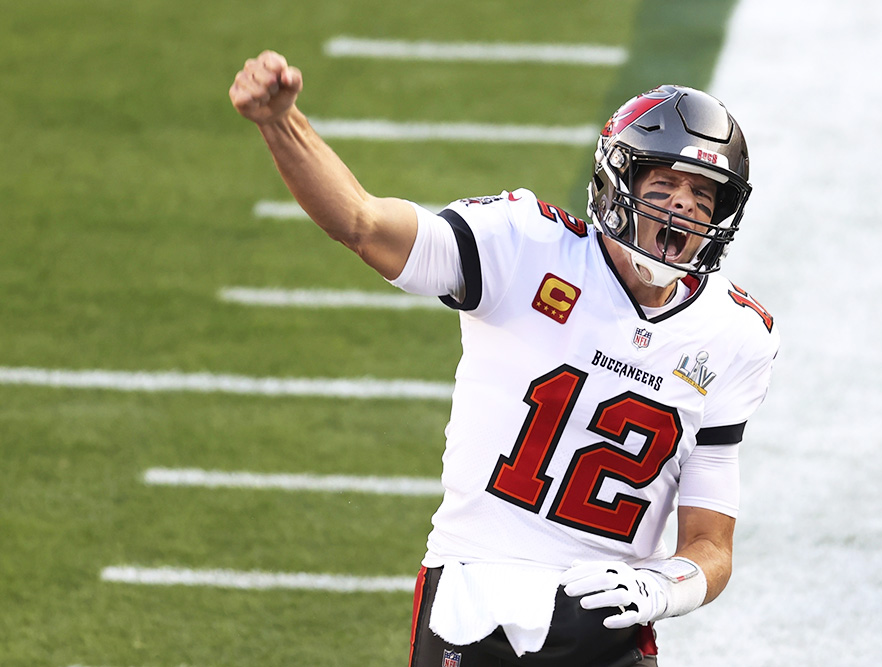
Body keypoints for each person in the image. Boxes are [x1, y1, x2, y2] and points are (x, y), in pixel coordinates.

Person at [230, 50, 779, 667]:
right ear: (618, 182)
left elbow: (710, 544)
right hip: (476, 594)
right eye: (667, 184)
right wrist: (280, 121)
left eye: (704, 195)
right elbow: (363, 223)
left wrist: (661, 586)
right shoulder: (524, 246)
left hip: (609, 617)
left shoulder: (735, 335)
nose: (683, 207)